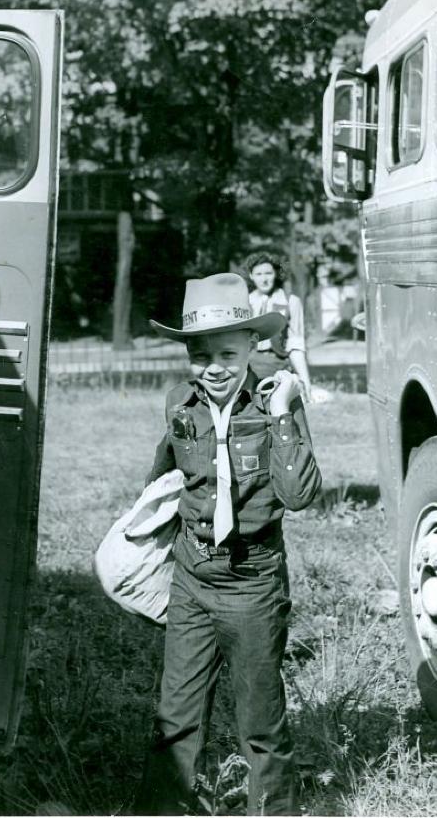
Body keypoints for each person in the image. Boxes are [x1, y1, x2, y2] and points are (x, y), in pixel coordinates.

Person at [134, 272, 322, 816]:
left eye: (227, 352)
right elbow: (162, 480)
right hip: (193, 575)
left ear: (251, 348)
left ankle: (275, 811)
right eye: (199, 354)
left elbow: (300, 494)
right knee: (175, 716)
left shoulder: (271, 404)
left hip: (252, 579)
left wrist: (285, 410)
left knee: (259, 720)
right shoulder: (179, 404)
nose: (213, 367)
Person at [245, 251, 312, 399]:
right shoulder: (243, 302)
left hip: (277, 366)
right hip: (246, 366)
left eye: (268, 273)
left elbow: (296, 345)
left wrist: (305, 381)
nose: (264, 279)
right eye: (259, 274)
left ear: (275, 273)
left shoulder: (291, 301)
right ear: (251, 276)